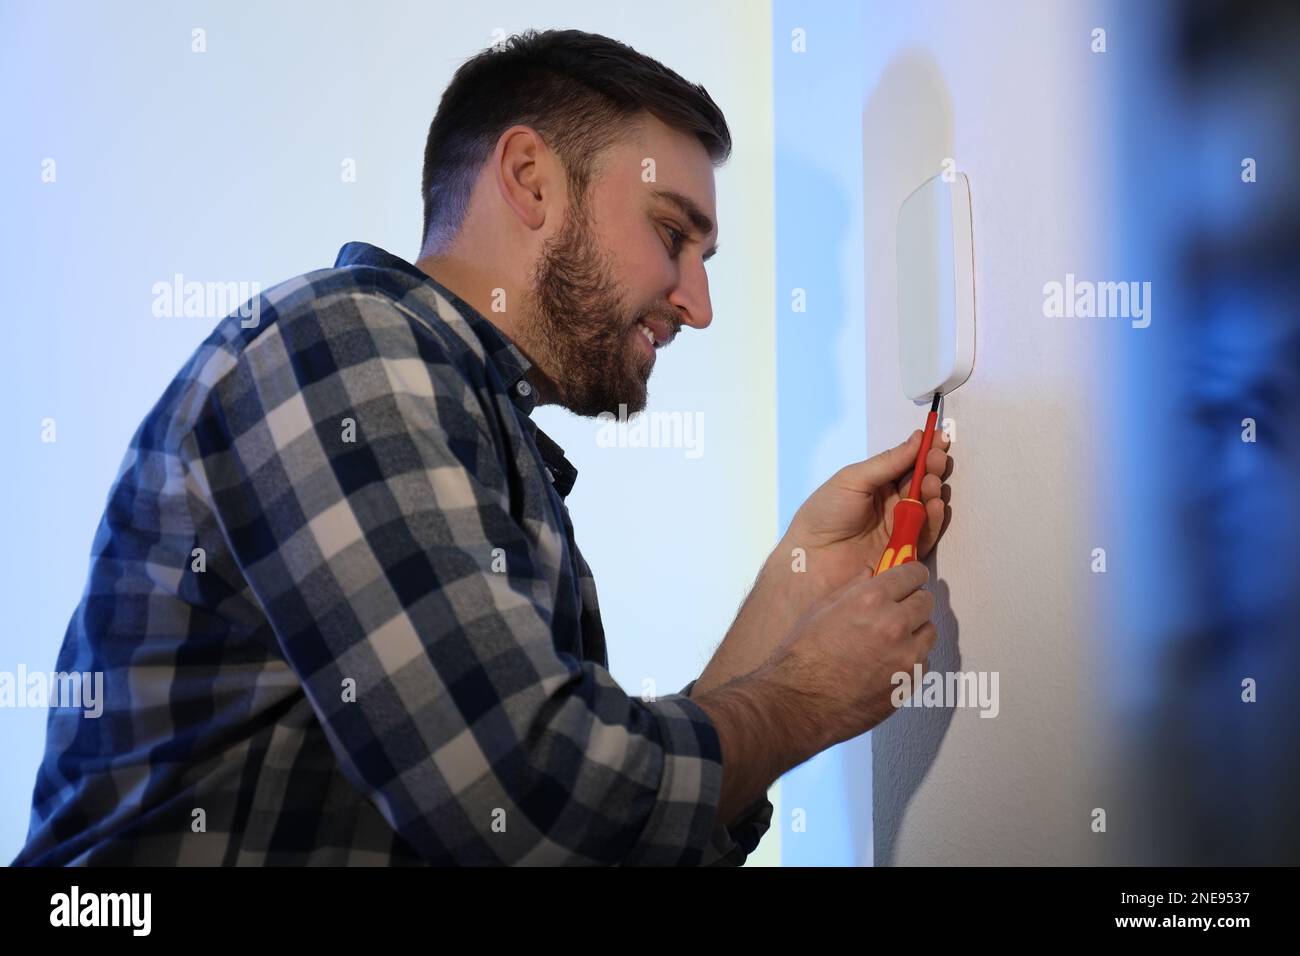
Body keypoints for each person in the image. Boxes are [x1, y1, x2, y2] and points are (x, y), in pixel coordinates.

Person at [13, 28, 951, 866]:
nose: (698, 306)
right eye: (673, 236)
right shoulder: (348, 351)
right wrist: (804, 697)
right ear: (532, 179)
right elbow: (529, 800)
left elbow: (605, 837)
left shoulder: (479, 431)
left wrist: (796, 593)